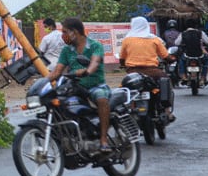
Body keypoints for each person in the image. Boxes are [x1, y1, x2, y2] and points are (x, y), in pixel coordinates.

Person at [49, 17, 113, 152]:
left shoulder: (95, 45)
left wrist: (87, 71)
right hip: (75, 87)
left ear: (75, 32)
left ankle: (103, 139)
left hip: (95, 85)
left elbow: (95, 62)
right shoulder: (67, 50)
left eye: (65, 32)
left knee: (101, 99)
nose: (63, 35)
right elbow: (57, 71)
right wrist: (42, 82)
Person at [118, 16, 175, 122]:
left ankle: (127, 113)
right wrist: (172, 59)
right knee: (166, 82)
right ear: (146, 26)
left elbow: (122, 58)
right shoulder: (154, 39)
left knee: (125, 90)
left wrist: (122, 64)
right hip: (153, 72)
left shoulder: (127, 40)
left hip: (133, 73)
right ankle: (167, 112)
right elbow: (165, 56)